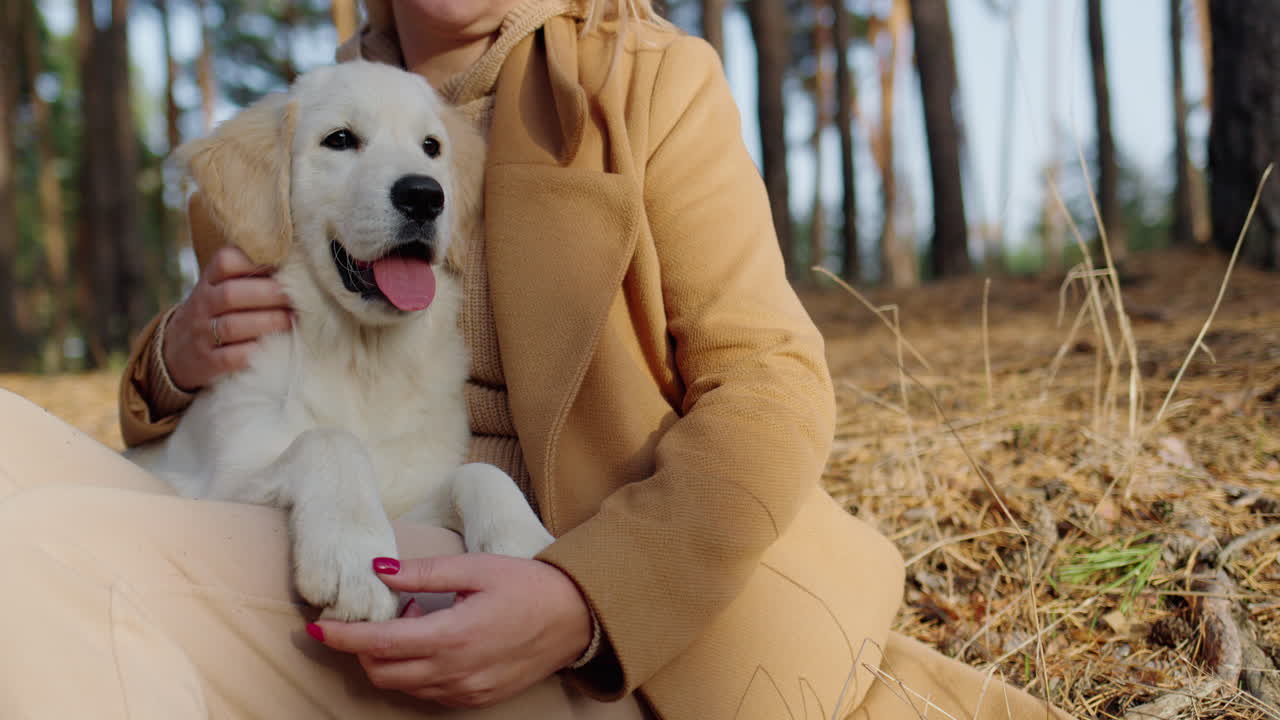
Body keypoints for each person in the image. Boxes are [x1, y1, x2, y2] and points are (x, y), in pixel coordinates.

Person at [0, 1, 1073, 718]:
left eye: (428, 161)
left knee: (36, 567)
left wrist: (585, 597)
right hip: (302, 513)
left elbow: (772, 389)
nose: (411, 176)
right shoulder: (304, 119)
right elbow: (222, 405)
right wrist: (177, 354)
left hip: (542, 610)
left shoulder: (649, 80)